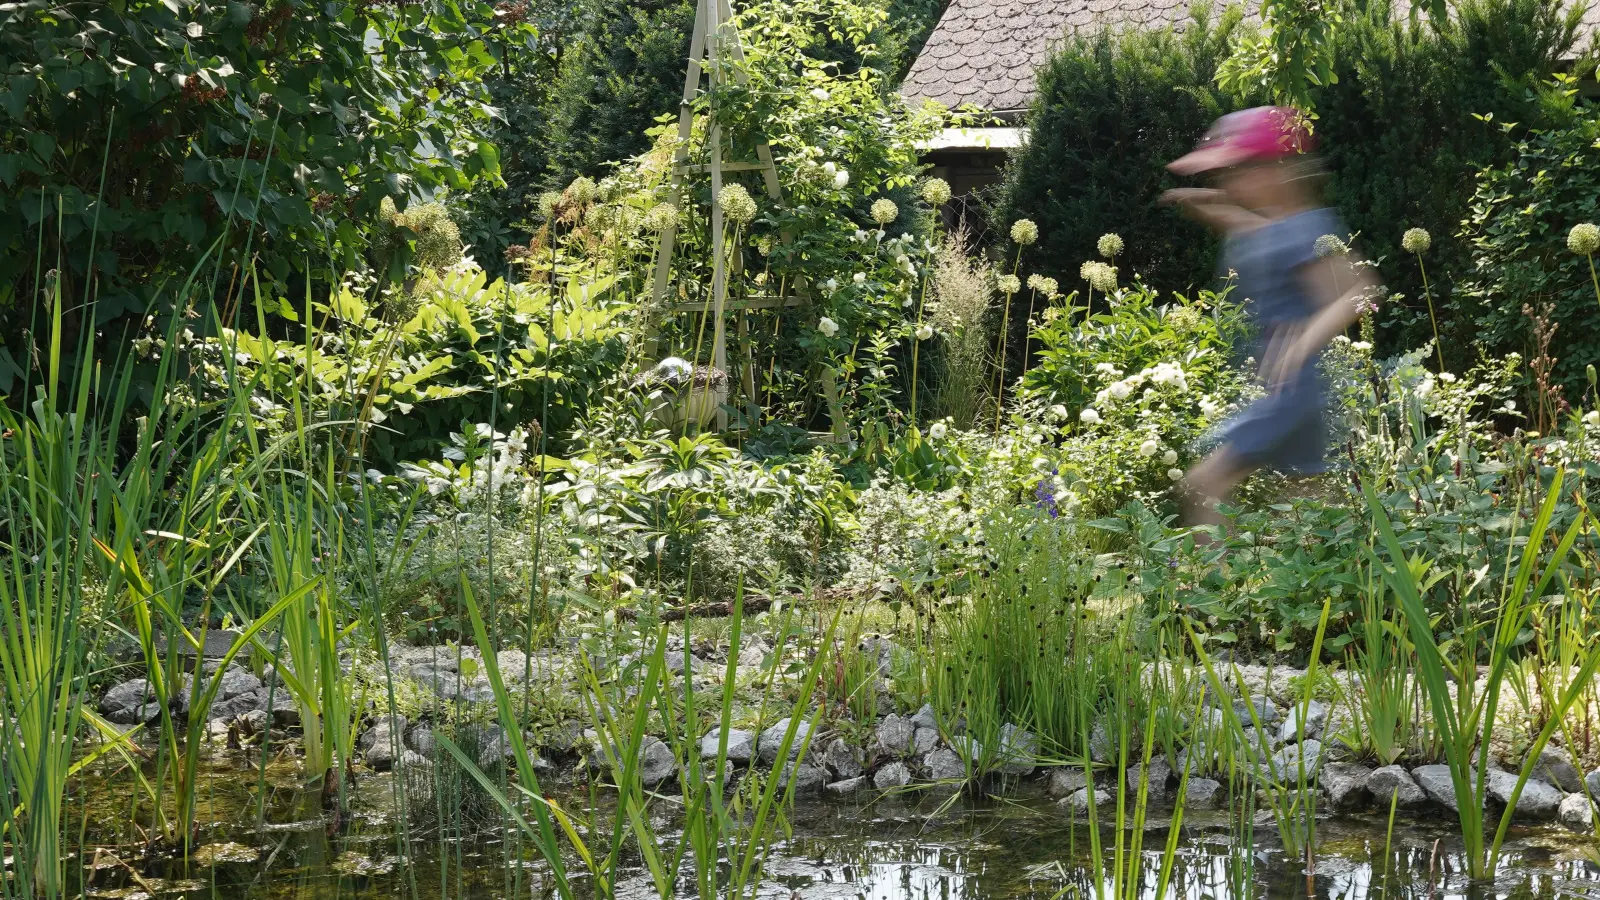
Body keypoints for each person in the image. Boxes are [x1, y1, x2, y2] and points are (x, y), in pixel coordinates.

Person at [1160, 106, 1377, 532]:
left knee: (1204, 483)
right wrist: (1215, 208)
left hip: (1291, 391)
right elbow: (1265, 239)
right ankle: (1334, 588)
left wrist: (1305, 340)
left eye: (1238, 171)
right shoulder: (1276, 226)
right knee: (1309, 507)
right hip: (1285, 389)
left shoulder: (1308, 228)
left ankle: (1215, 594)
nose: (1229, 183)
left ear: (1276, 171)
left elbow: (1361, 291)